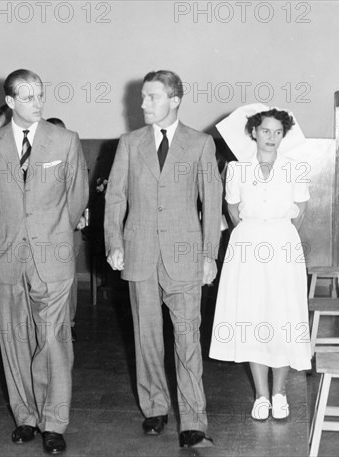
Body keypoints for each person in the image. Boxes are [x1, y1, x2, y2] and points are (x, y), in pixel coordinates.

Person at [104, 70, 222, 448]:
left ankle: (193, 421)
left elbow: (212, 203)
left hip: (185, 258)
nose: (142, 105)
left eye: (151, 97)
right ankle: (155, 407)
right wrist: (114, 242)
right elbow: (115, 198)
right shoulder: (129, 142)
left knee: (187, 342)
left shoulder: (200, 144)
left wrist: (208, 256)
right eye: (141, 97)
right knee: (147, 338)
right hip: (139, 255)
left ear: (175, 100)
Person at [0, 69, 89, 455]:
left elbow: (76, 198)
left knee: (54, 339)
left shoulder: (65, 140)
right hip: (7, 255)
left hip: (53, 255)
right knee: (13, 338)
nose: (37, 102)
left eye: (40, 94)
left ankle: (54, 422)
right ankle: (25, 416)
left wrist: (54, 233)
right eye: (27, 97)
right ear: (9, 102)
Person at [209, 106, 311, 421]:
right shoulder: (238, 170)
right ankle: (262, 396)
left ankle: (280, 394)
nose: (271, 137)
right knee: (253, 317)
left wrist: (278, 237)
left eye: (278, 132)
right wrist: (255, 234)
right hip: (247, 248)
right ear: (254, 132)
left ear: (284, 135)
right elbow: (234, 212)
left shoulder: (294, 168)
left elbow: (301, 211)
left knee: (281, 317)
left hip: (283, 247)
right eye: (265, 130)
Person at [46, 116, 84, 342]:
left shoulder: (73, 158)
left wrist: (75, 217)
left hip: (68, 231)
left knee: (68, 280)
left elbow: (80, 194)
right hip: (44, 232)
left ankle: (68, 324)